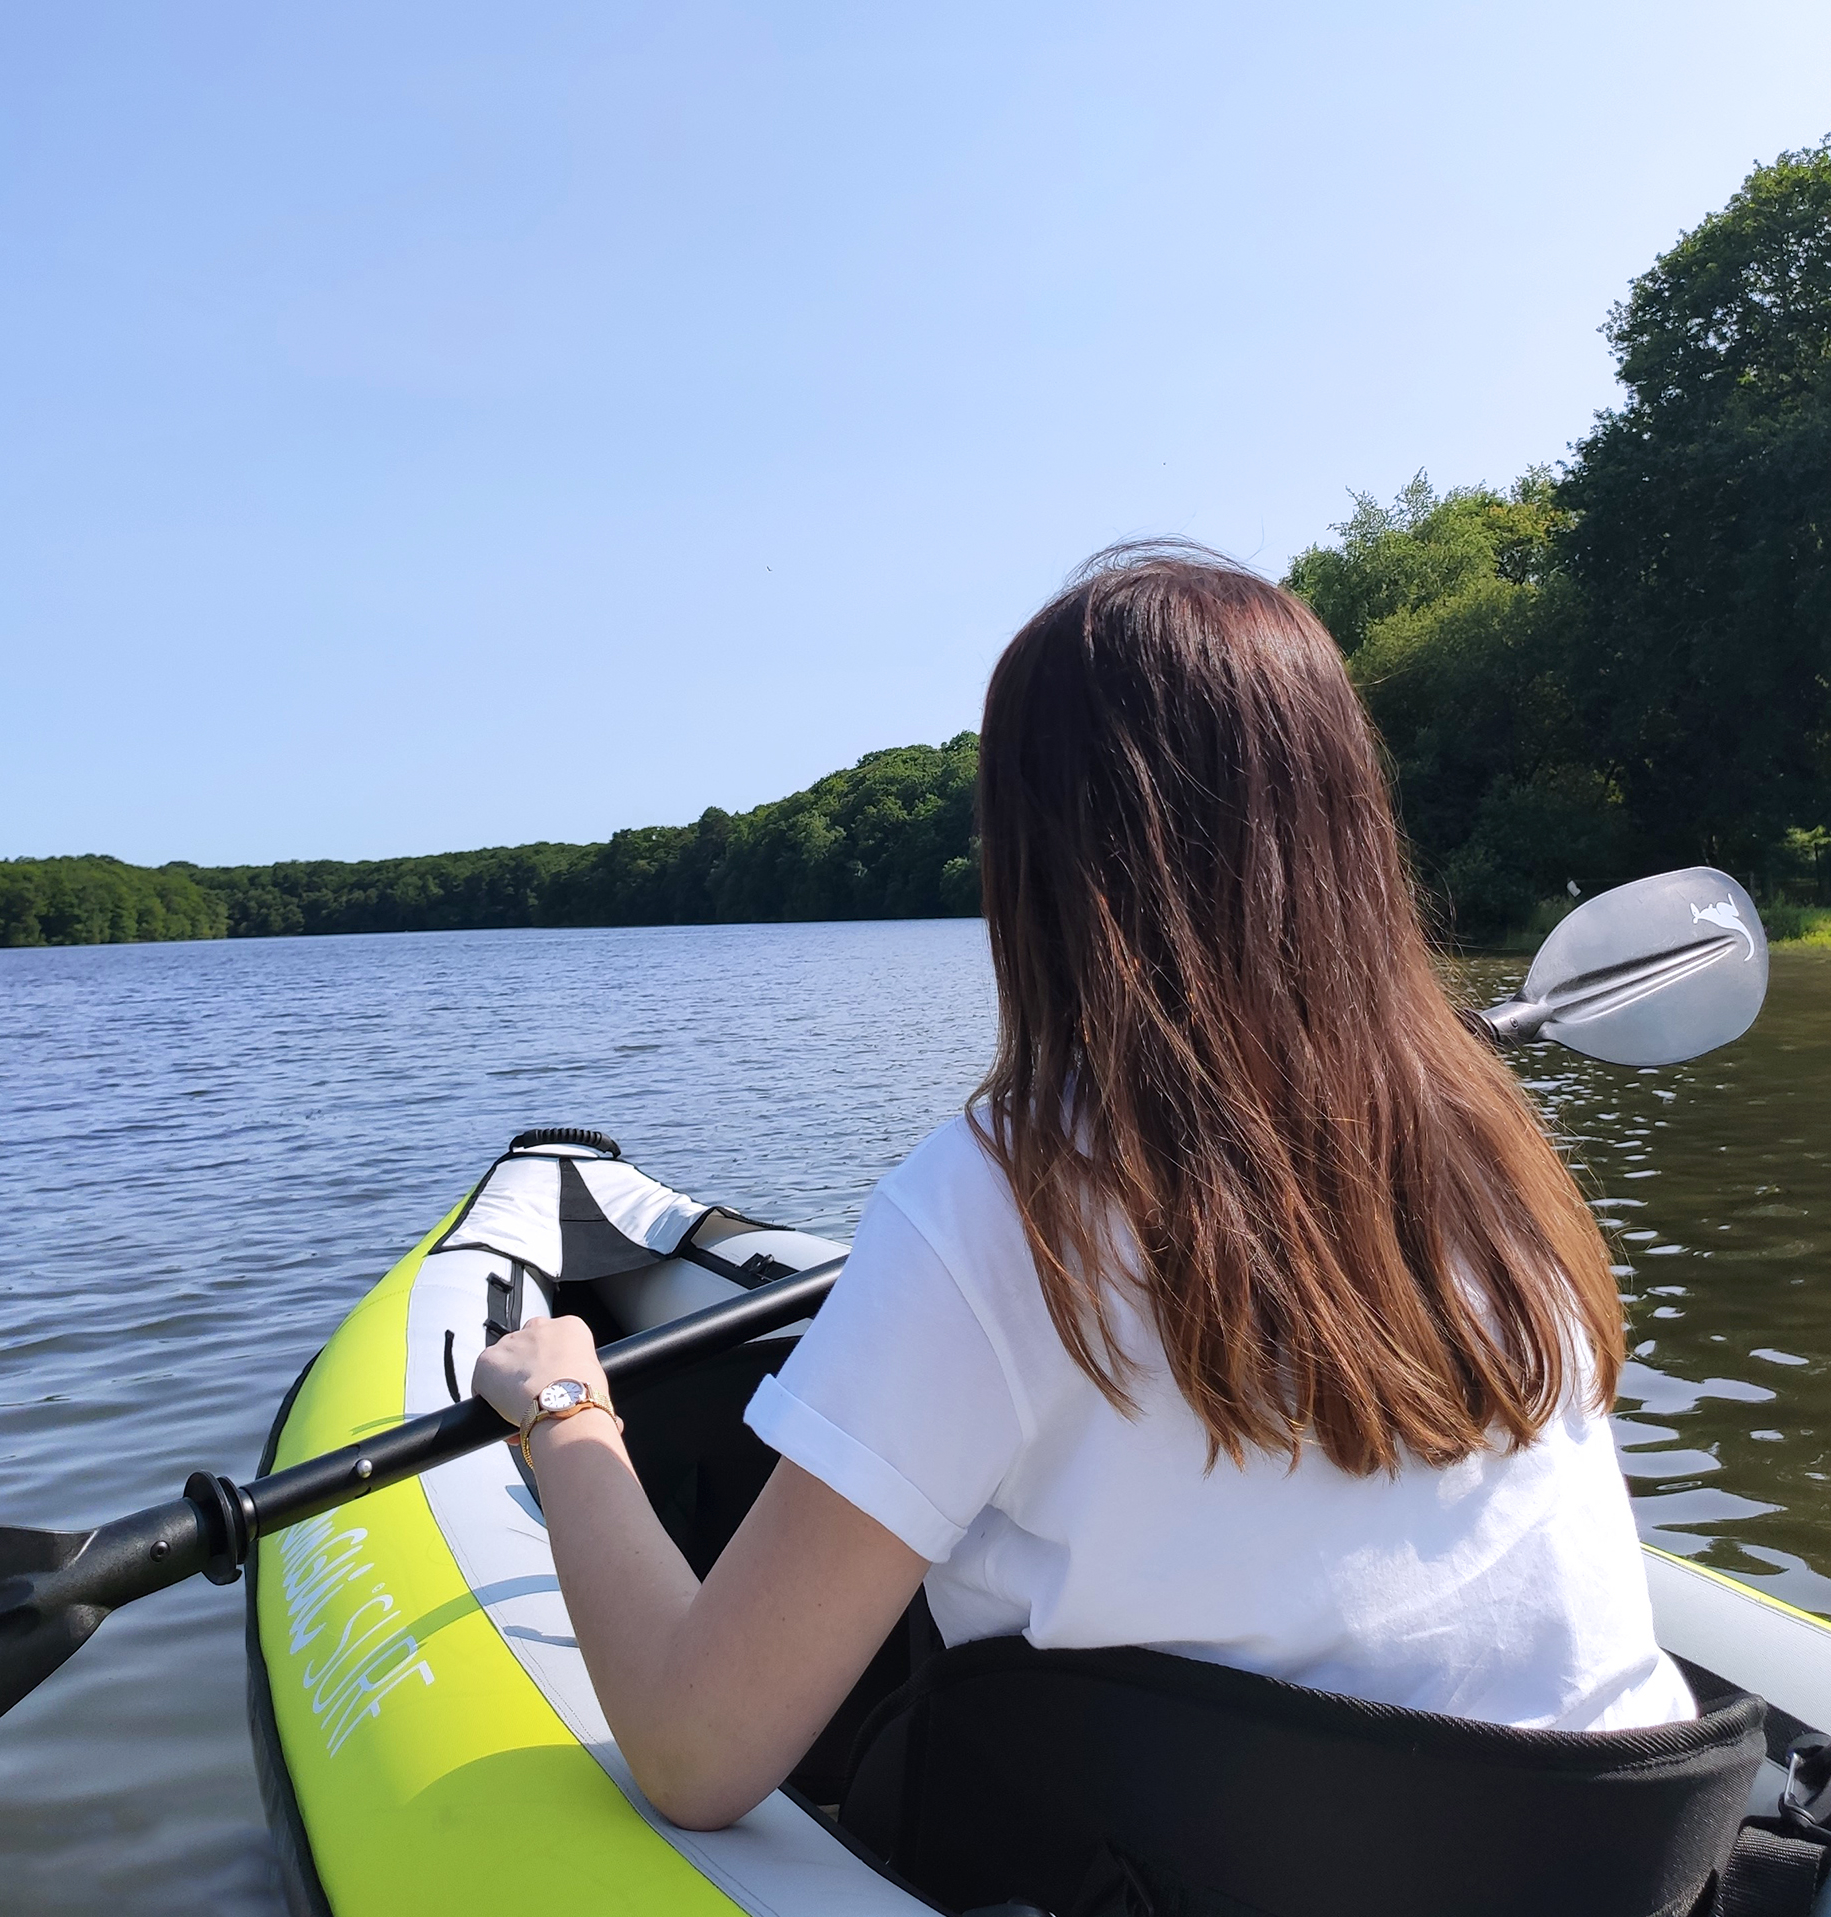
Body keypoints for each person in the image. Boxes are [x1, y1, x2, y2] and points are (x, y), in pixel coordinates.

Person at [472, 545, 1690, 1842]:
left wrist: (566, 1414)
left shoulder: (1001, 1206)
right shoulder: (1489, 1144)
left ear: (1038, 863)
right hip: (1633, 1904)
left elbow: (692, 1752)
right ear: (1347, 822)